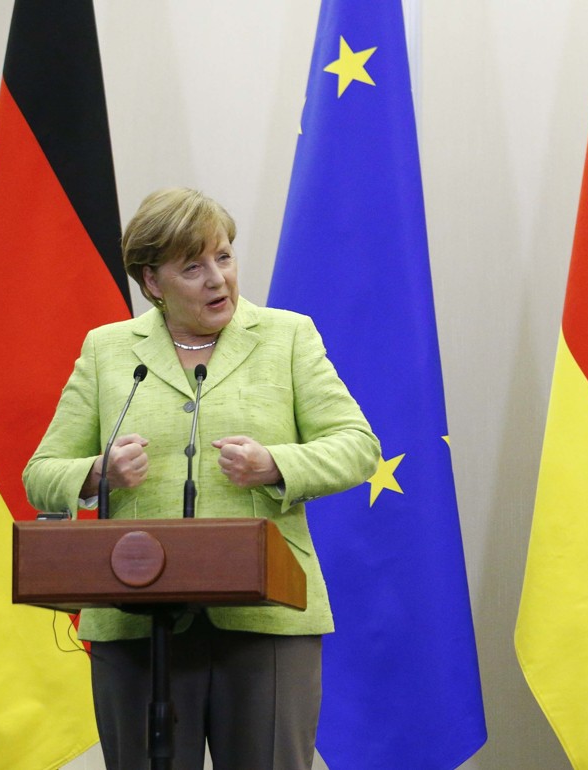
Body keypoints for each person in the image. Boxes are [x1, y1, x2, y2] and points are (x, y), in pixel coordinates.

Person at [23, 188, 381, 769]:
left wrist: (276, 465)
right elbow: (40, 475)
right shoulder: (108, 350)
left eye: (224, 257)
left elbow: (358, 446)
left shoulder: (287, 337)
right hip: (136, 619)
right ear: (153, 282)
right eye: (193, 267)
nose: (218, 279)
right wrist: (97, 471)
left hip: (268, 615)